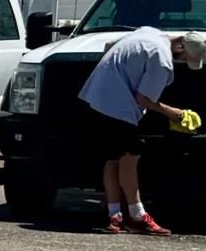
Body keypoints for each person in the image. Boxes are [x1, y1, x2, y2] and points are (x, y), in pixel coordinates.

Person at [77, 26, 206, 235]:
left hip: (97, 94)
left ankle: (114, 215)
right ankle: (137, 216)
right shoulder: (162, 59)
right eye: (183, 58)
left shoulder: (149, 32)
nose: (180, 62)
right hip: (119, 104)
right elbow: (144, 99)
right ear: (180, 46)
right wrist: (176, 114)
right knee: (130, 157)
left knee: (113, 158)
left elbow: (111, 47)